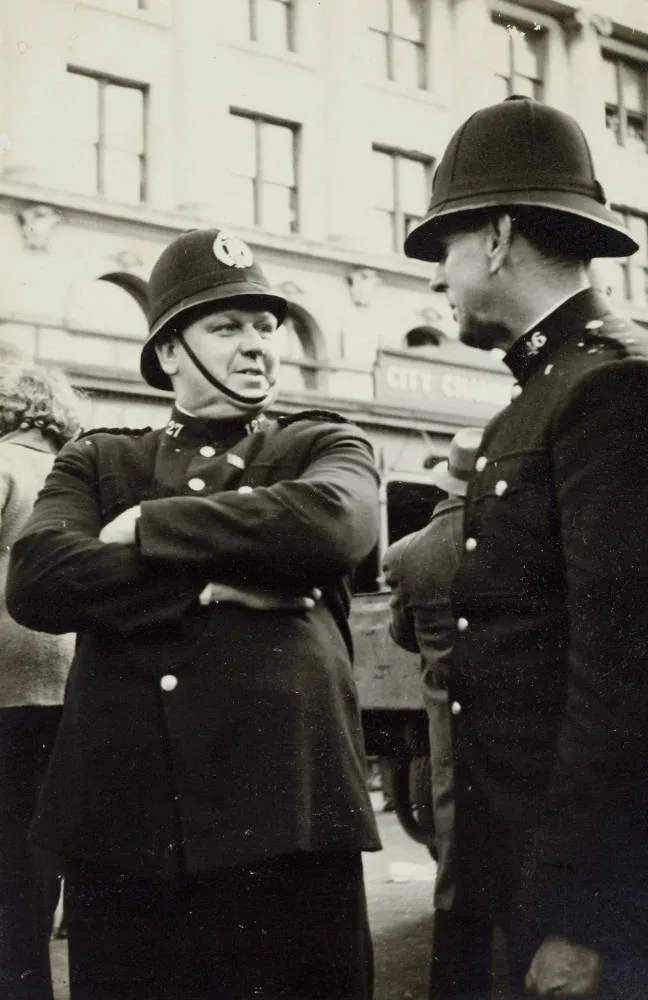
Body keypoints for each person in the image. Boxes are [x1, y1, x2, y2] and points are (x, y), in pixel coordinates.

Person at [403, 95, 648, 999]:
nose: (439, 277)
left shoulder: (616, 391)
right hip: (518, 870)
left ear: (500, 236)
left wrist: (586, 918)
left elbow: (636, 679)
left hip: (580, 905)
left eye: (445, 245)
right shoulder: (550, 393)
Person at [7, 228, 382, 1000]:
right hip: (126, 827)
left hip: (287, 820)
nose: (258, 346)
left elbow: (332, 523)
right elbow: (39, 577)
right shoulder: (99, 458)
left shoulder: (320, 441)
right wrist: (208, 584)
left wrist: (151, 528)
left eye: (266, 325)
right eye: (227, 326)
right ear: (169, 350)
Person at [382, 427, 489, 1000]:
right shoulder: (508, 539)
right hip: (511, 717)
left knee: (456, 861)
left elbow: (402, 634)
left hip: (445, 720)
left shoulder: (409, 552)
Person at [0, 356, 83, 1000]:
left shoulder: (1, 465)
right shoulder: (74, 473)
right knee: (51, 848)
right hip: (73, 685)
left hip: (4, 687)